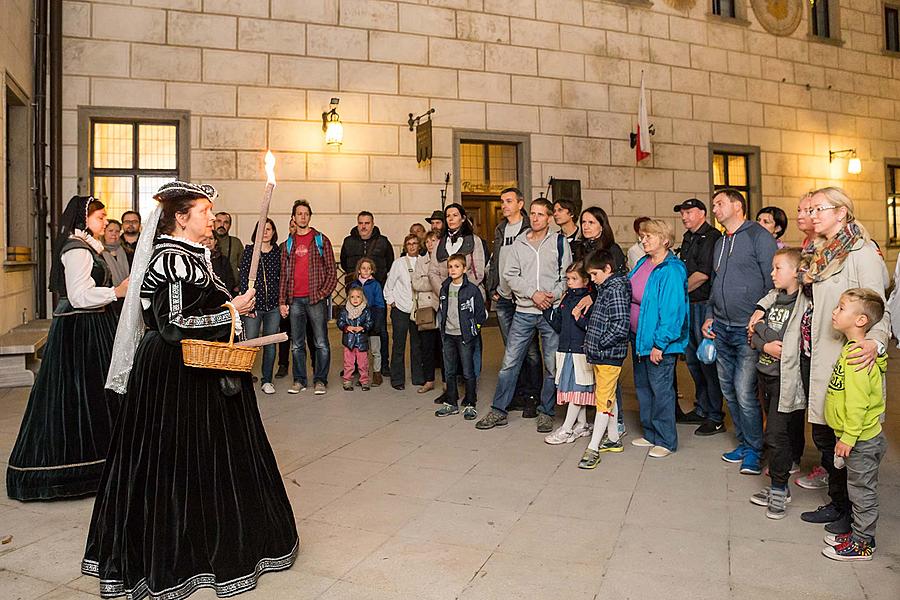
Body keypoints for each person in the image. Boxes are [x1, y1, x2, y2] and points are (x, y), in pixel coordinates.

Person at [82, 181, 297, 599]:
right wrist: (233, 310)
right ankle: (182, 557)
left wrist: (235, 304)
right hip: (174, 376)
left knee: (214, 460)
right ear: (181, 218)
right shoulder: (171, 260)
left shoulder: (195, 257)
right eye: (203, 211)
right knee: (177, 461)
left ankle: (213, 542)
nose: (211, 218)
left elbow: (203, 310)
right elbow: (173, 326)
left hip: (204, 370)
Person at [749, 187, 890, 536]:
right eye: (809, 209)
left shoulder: (860, 252)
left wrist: (876, 341)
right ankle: (837, 500)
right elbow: (797, 294)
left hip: (841, 356)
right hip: (811, 352)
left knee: (844, 433)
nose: (811, 215)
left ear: (841, 213)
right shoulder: (816, 251)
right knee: (825, 433)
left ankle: (849, 512)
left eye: (819, 209)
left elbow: (878, 307)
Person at [6, 196, 128, 501]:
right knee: (78, 396)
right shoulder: (76, 250)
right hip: (80, 332)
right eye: (100, 217)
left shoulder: (86, 247)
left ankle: (102, 465)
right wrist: (116, 291)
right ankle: (73, 470)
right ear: (84, 219)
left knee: (93, 397)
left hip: (90, 327)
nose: (104, 222)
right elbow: (78, 296)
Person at [475, 199, 571, 433]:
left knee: (551, 365)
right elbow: (510, 275)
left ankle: (546, 411)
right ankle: (499, 410)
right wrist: (533, 294)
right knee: (509, 363)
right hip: (525, 311)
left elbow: (565, 276)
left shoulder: (559, 242)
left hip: (550, 312)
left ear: (549, 218)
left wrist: (552, 296)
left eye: (541, 214)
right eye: (534, 214)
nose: (536, 218)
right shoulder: (519, 243)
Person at [702, 188, 777, 476]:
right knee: (729, 390)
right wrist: (709, 315)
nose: (715, 209)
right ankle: (745, 443)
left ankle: (756, 452)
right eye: (714, 205)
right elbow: (716, 283)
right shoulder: (721, 242)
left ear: (737, 206)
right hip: (721, 326)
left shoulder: (759, 236)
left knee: (745, 392)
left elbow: (772, 282)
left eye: (719, 203)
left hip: (747, 328)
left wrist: (760, 317)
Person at [821, 289, 887, 561]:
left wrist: (848, 437)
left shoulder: (858, 357)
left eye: (841, 308)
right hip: (856, 437)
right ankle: (859, 532)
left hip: (860, 439)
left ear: (860, 320)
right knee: (856, 489)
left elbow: (858, 403)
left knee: (862, 493)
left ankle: (863, 544)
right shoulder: (852, 349)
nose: (835, 312)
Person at [748, 247, 804, 519]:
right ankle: (777, 485)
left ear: (796, 272)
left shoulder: (802, 303)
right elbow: (757, 339)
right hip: (765, 373)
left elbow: (783, 345)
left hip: (785, 378)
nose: (772, 273)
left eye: (778, 268)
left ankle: (780, 488)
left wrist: (762, 333)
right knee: (771, 430)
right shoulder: (773, 300)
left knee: (776, 435)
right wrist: (763, 338)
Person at [628, 219, 689, 459]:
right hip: (639, 337)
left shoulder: (671, 270)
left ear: (665, 240)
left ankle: (666, 439)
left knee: (661, 390)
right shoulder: (644, 262)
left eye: (649, 237)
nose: (643, 240)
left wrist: (659, 344)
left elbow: (672, 312)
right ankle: (651, 433)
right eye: (642, 236)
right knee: (643, 386)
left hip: (658, 343)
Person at [484, 187, 541, 415]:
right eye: (502, 201)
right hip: (504, 298)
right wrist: (493, 288)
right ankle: (516, 395)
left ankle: (532, 397)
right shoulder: (500, 229)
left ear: (520, 203)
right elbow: (496, 260)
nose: (504, 205)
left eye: (509, 201)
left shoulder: (529, 228)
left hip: (524, 299)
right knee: (511, 350)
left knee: (531, 351)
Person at [673, 198, 724, 434]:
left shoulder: (711, 236)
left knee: (706, 360)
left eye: (689, 212)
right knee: (692, 360)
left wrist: (677, 292)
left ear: (702, 213)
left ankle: (715, 414)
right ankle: (702, 407)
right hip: (689, 304)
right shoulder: (688, 237)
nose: (684, 216)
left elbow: (702, 275)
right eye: (682, 213)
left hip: (703, 305)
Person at [578, 250, 632, 469]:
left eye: (594, 274)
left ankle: (593, 449)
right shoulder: (606, 288)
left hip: (608, 355)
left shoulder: (615, 290)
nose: (592, 279)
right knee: (608, 396)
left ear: (607, 269)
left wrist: (600, 343)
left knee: (603, 402)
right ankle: (613, 439)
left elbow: (620, 326)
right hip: (602, 354)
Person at [279, 199, 338, 396]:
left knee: (320, 341)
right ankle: (299, 380)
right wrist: (282, 301)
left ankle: (320, 380)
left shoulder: (321, 240)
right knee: (296, 344)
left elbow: (332, 271)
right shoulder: (288, 244)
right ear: (293, 218)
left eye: (306, 213)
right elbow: (284, 276)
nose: (302, 217)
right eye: (299, 214)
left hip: (315, 299)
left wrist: (322, 293)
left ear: (309, 216)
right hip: (294, 300)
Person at [541, 262, 594, 445]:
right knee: (572, 387)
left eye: (574, 279)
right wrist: (548, 311)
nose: (570, 282)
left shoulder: (588, 299)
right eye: (568, 279)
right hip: (565, 350)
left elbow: (589, 326)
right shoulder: (565, 298)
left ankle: (566, 429)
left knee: (577, 390)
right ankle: (582, 424)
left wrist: (579, 318)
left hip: (580, 351)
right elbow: (559, 325)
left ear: (585, 280)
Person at [340, 211, 395, 377]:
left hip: (376, 297)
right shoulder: (348, 241)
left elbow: (390, 262)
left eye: (367, 223)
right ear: (357, 224)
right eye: (361, 223)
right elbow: (344, 262)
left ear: (373, 223)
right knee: (354, 329)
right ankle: (355, 365)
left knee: (380, 331)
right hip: (354, 298)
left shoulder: (383, 242)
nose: (364, 226)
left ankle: (383, 365)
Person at [434, 253, 486, 420]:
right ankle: (451, 402)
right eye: (450, 267)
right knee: (449, 370)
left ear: (464, 269)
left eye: (457, 266)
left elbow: (480, 313)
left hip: (465, 336)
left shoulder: (471, 290)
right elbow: (442, 310)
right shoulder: (445, 288)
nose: (453, 270)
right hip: (448, 335)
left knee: (467, 370)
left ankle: (470, 403)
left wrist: (474, 330)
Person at [239, 218, 282, 394]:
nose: (265, 232)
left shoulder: (278, 252)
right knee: (250, 343)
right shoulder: (250, 251)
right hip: (254, 307)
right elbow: (243, 279)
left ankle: (267, 380)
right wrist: (247, 304)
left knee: (270, 343)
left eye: (269, 229)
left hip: (273, 306)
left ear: (273, 232)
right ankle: (244, 378)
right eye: (261, 229)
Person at [384, 234, 425, 390]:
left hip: (418, 309)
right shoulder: (398, 263)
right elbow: (389, 285)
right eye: (409, 243)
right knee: (399, 344)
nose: (412, 246)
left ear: (418, 245)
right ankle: (397, 379)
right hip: (400, 308)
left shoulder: (423, 261)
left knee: (417, 344)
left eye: (415, 243)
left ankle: (418, 377)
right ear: (405, 246)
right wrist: (392, 302)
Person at [412, 231, 442, 395]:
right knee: (427, 347)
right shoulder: (420, 261)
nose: (431, 244)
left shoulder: (444, 259)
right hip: (425, 308)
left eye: (434, 240)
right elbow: (416, 283)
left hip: (441, 306)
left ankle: (446, 381)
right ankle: (429, 380)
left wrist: (431, 281)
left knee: (444, 347)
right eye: (428, 241)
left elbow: (447, 280)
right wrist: (434, 282)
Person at [352, 257, 387, 386]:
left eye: (368, 268)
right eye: (363, 268)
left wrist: (377, 323)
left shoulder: (375, 284)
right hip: (359, 323)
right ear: (359, 270)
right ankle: (363, 375)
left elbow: (380, 305)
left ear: (372, 270)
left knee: (375, 350)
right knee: (362, 351)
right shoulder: (354, 285)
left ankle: (377, 374)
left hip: (373, 320)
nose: (366, 270)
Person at [338, 287, 373, 391]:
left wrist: (363, 328)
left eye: (358, 297)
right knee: (348, 363)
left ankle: (364, 381)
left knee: (363, 363)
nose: (355, 299)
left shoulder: (366, 311)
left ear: (362, 298)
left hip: (361, 342)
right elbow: (340, 322)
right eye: (352, 297)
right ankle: (347, 380)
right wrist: (346, 327)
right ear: (348, 298)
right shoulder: (345, 311)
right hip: (349, 342)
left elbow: (370, 322)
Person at [571, 206, 626, 271]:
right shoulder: (578, 247)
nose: (586, 227)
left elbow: (619, 275)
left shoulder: (612, 249)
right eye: (583, 222)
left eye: (591, 222)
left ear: (602, 227)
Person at [213, 211, 244, 285]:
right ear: (213, 223)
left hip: (231, 287)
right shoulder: (205, 241)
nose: (222, 225)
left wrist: (239, 286)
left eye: (226, 222)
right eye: (219, 221)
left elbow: (244, 267)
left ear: (230, 225)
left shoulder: (236, 242)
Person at [102, 219, 131, 286]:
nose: (114, 234)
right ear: (104, 232)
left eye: (117, 231)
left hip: (127, 292)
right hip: (107, 293)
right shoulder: (98, 253)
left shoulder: (128, 252)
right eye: (110, 231)